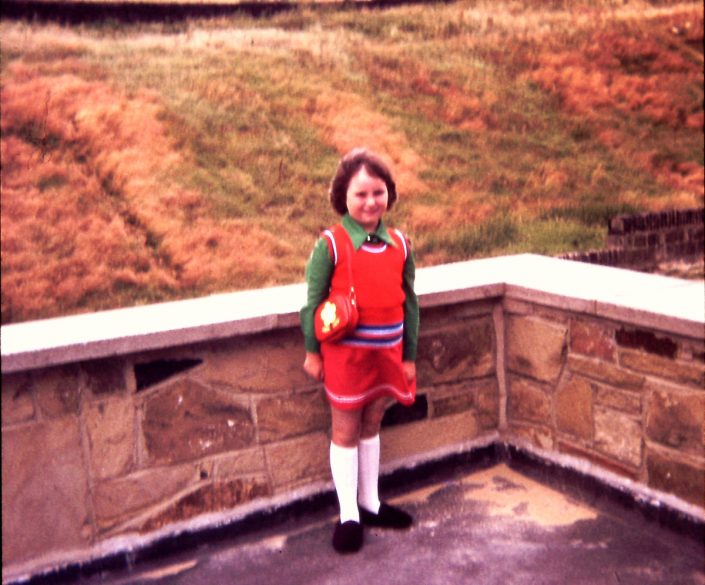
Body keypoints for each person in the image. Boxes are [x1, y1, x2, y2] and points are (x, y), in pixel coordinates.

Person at [300, 147, 419, 554]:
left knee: (372, 423)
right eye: (361, 194)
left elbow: (410, 302)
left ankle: (371, 501)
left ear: (389, 194)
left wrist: (408, 357)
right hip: (346, 359)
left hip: (386, 356)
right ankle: (348, 513)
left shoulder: (400, 244)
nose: (370, 202)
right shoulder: (330, 245)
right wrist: (312, 353)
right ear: (343, 198)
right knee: (346, 429)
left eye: (378, 193)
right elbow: (312, 302)